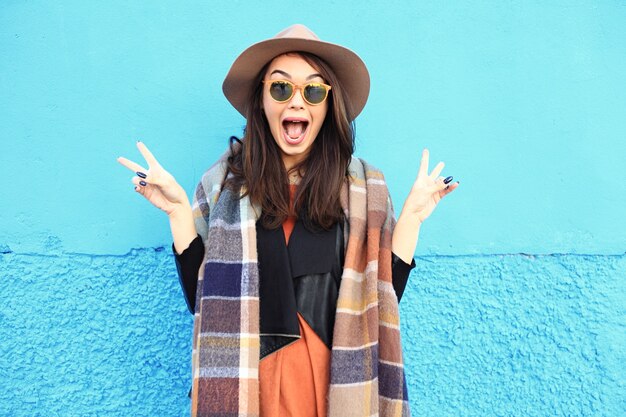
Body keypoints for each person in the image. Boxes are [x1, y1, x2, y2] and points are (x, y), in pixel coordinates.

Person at [117, 24, 458, 417]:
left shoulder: (365, 189)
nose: (297, 102)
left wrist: (412, 220)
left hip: (337, 392)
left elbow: (381, 303)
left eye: (313, 91)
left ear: (328, 106)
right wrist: (178, 212)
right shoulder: (222, 186)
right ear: (261, 99)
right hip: (247, 393)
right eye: (281, 88)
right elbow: (204, 302)